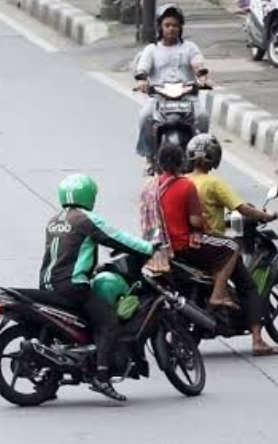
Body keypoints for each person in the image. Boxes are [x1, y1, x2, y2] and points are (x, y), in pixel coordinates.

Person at [40, 173, 156, 402]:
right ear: (88, 195)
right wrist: (148, 248)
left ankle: (50, 380)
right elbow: (117, 238)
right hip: (73, 286)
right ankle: (102, 376)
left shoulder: (54, 220)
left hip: (47, 284)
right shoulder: (85, 219)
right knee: (109, 323)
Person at [185, 133, 278, 356]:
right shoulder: (213, 183)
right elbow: (242, 208)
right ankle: (257, 340)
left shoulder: (183, 181)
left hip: (189, 245)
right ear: (214, 157)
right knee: (248, 287)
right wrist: (266, 216)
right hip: (215, 248)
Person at [153, 143, 239, 312]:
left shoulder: (152, 186)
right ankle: (218, 294)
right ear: (182, 162)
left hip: (158, 246)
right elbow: (196, 222)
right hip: (182, 245)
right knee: (232, 246)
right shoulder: (186, 185)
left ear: (159, 162)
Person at [133, 4, 211, 173]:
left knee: (203, 117)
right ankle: (149, 158)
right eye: (167, 25)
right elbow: (142, 69)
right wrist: (142, 81)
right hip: (159, 97)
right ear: (160, 27)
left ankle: (201, 157)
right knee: (145, 117)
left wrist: (202, 78)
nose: (171, 29)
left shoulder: (190, 48)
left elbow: (198, 65)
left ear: (180, 27)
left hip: (187, 96)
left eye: (175, 25)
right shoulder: (151, 50)